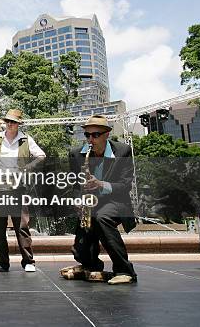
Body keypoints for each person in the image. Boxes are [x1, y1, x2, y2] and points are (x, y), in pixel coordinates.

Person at [61, 115, 137, 285]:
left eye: (95, 135)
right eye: (87, 135)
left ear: (107, 135)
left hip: (116, 201)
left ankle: (125, 270)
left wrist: (101, 184)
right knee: (81, 240)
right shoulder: (76, 154)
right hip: (90, 202)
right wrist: (77, 200)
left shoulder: (123, 151)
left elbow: (125, 186)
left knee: (102, 217)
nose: (90, 139)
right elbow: (74, 185)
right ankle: (91, 265)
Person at [0, 109, 45, 273]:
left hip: (18, 188)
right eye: (8, 121)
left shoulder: (25, 139)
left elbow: (41, 156)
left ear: (18, 124)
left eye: (14, 122)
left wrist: (27, 167)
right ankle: (2, 263)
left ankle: (28, 261)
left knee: (22, 226)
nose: (10, 124)